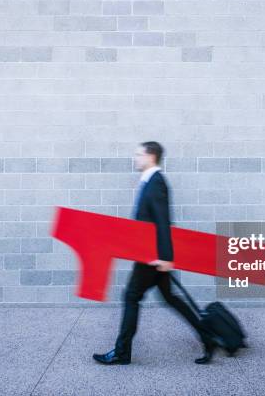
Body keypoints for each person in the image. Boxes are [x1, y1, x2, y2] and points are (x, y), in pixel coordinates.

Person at [92, 141, 217, 365]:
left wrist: (167, 257)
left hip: (153, 257)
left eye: (138, 154)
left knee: (131, 297)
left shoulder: (156, 182)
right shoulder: (150, 182)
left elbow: (163, 222)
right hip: (152, 255)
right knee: (170, 298)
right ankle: (209, 337)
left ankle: (122, 352)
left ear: (151, 156)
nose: (135, 158)